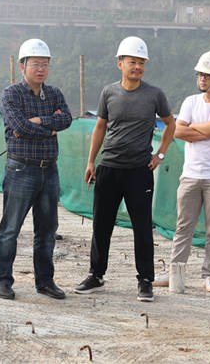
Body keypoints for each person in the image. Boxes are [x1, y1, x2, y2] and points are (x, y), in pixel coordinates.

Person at [73, 36, 175, 302]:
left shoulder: (154, 95)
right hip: (108, 168)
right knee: (101, 224)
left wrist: (160, 154)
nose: (137, 67)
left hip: (139, 170)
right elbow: (100, 127)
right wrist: (91, 161)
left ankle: (145, 280)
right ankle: (96, 275)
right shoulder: (109, 92)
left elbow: (170, 123)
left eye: (141, 62)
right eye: (132, 62)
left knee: (142, 227)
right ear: (120, 63)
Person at [0, 39, 72, 300]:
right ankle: (2, 279)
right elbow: (19, 126)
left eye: (45, 64)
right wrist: (50, 128)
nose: (41, 69)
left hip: (49, 170)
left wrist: (41, 121)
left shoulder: (54, 94)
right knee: (11, 228)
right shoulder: (11, 94)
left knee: (47, 231)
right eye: (36, 64)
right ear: (22, 65)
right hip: (21, 170)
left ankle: (45, 281)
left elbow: (66, 119)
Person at [154, 50, 210, 294]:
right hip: (190, 174)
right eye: (200, 74)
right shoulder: (191, 101)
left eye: (207, 75)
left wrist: (193, 128)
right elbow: (177, 131)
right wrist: (203, 130)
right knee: (183, 226)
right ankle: (175, 272)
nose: (202, 79)